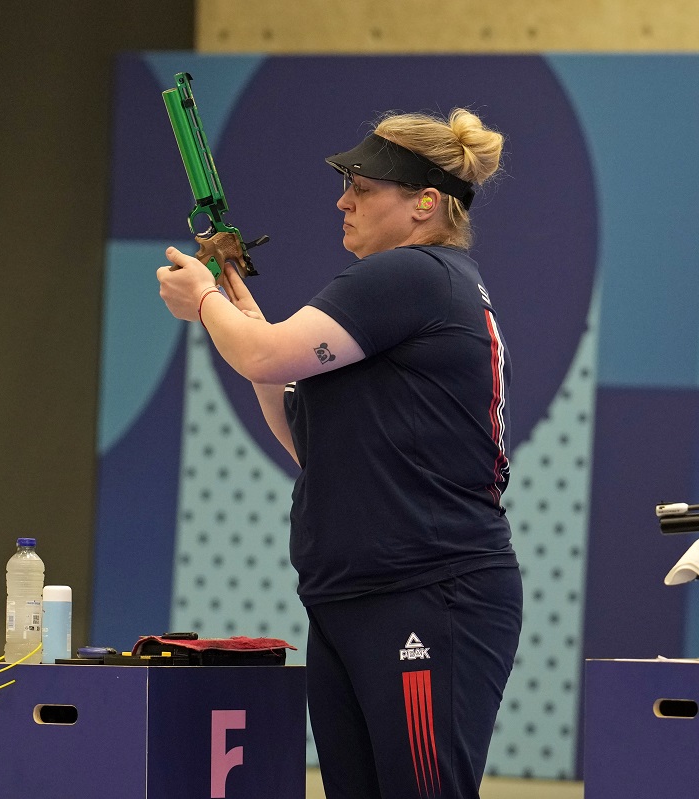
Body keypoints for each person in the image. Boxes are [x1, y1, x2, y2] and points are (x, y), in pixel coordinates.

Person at [157, 108, 522, 799]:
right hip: (355, 599)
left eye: (364, 186)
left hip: (422, 595)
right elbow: (301, 423)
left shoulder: (411, 275)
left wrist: (205, 298)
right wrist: (237, 304)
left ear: (424, 204)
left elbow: (262, 354)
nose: (342, 200)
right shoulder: (414, 288)